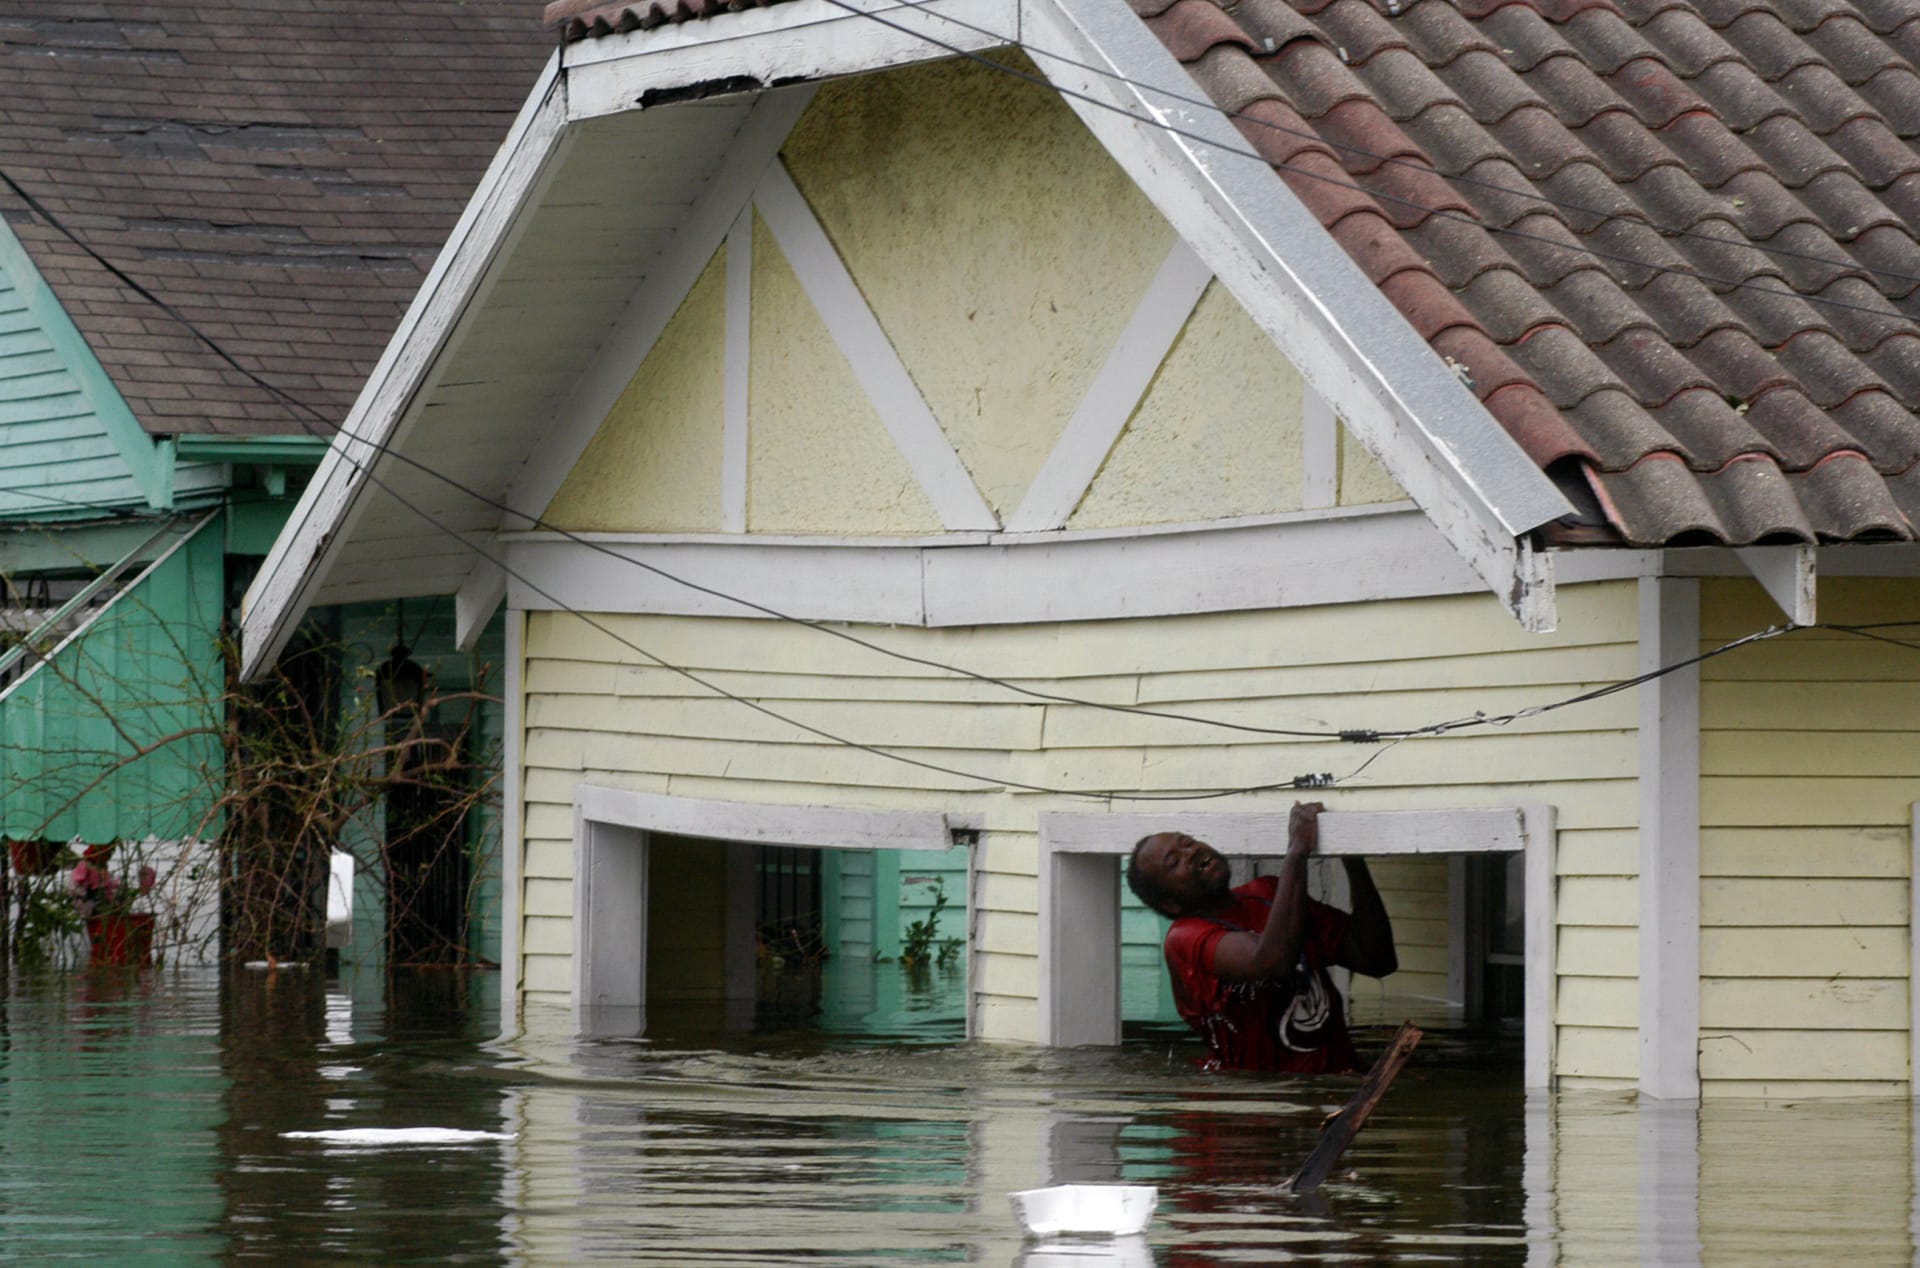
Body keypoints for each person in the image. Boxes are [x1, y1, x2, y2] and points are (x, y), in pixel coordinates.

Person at [1126, 802, 1397, 1073]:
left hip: (1337, 1087)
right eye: (1174, 862)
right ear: (1170, 905)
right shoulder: (1184, 940)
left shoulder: (1268, 893)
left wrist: (1352, 858)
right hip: (1259, 1106)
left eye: (1188, 842)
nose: (1192, 851)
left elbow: (1377, 959)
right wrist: (1296, 852)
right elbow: (1271, 962)